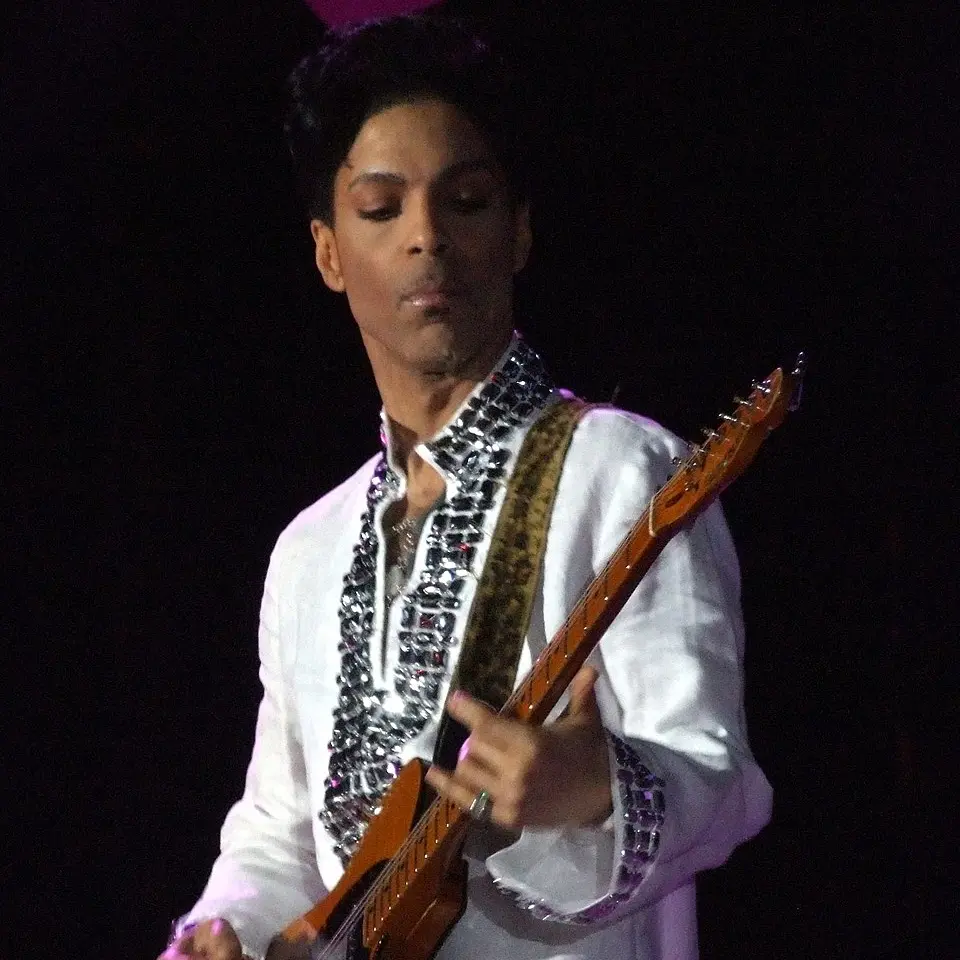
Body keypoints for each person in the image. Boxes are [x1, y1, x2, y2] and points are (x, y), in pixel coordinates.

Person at [161, 14, 772, 960]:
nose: (428, 239)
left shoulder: (625, 469)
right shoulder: (309, 550)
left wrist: (599, 784)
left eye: (469, 200)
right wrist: (221, 929)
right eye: (380, 209)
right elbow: (282, 826)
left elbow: (721, 781)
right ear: (328, 251)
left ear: (520, 231)